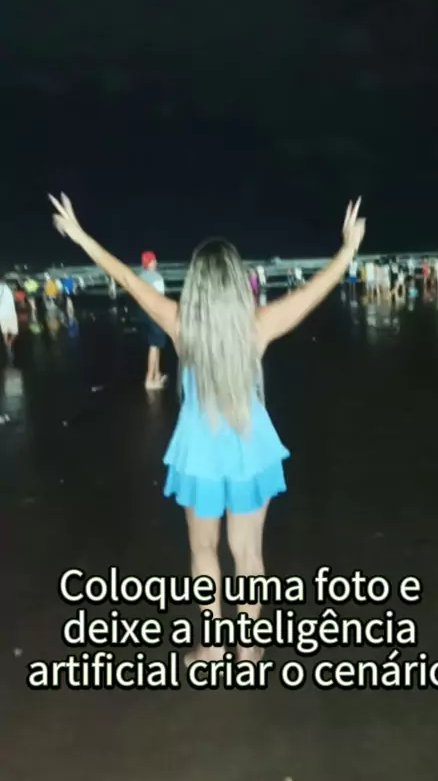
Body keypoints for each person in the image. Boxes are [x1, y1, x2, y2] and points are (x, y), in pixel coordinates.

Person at [48, 191, 365, 664]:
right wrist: (348, 249)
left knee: (203, 551)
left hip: (199, 451)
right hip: (250, 448)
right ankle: (249, 649)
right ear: (237, 283)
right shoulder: (257, 325)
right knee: (248, 554)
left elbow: (124, 277)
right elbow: (311, 293)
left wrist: (79, 236)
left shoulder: (180, 323)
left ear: (195, 283)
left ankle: (213, 647)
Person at [139, 251, 168, 390]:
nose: (156, 262)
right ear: (149, 263)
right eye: (154, 260)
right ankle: (149, 379)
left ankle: (157, 374)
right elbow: (161, 298)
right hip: (155, 314)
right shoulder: (157, 278)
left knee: (155, 344)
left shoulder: (140, 277)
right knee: (154, 346)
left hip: (143, 314)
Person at [0, 274, 19, 360]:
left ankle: (7, 346)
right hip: (10, 313)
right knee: (15, 333)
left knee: (5, 333)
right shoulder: (9, 288)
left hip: (1, 314)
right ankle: (9, 344)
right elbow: (15, 298)